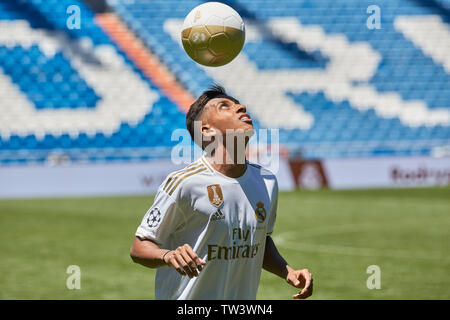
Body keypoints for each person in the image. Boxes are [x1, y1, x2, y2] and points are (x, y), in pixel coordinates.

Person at [130, 85, 313, 300]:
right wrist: (168, 255)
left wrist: (287, 271)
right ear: (207, 130)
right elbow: (139, 246)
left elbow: (260, 240)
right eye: (225, 106)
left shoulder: (267, 181)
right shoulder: (184, 183)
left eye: (238, 104)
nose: (240, 107)